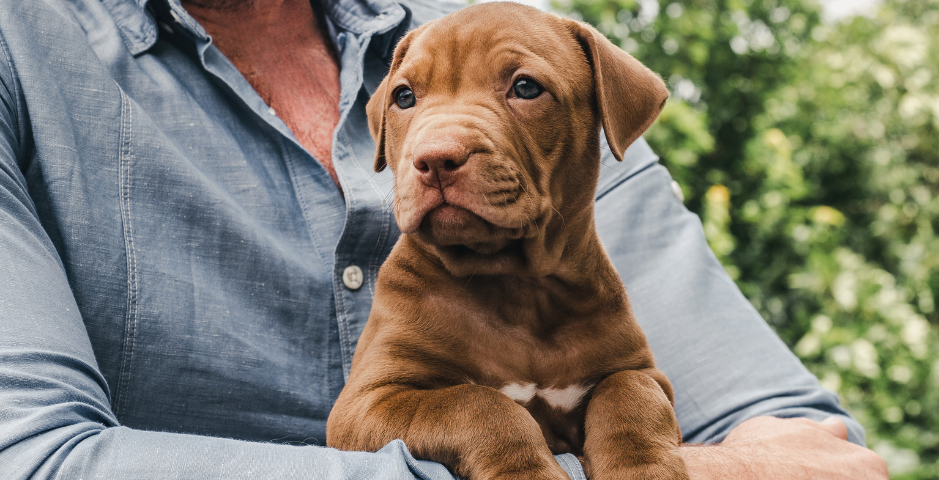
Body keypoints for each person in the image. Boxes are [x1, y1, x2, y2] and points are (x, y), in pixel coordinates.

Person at [0, 0, 888, 478]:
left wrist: (638, 437)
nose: (437, 144)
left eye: (520, 93)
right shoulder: (21, 47)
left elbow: (811, 455)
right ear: (390, 127)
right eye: (411, 107)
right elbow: (35, 461)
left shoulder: (504, 33)